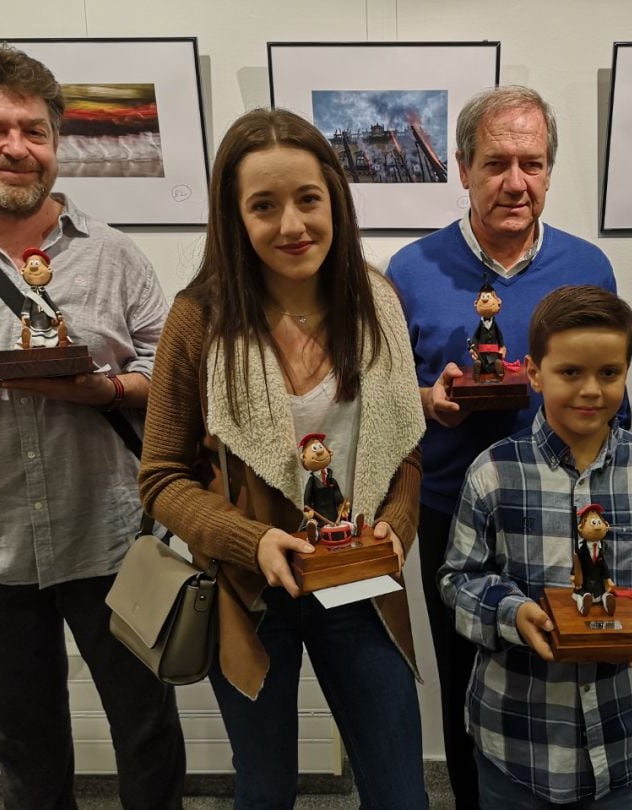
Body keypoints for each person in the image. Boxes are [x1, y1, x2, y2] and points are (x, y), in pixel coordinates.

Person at [0, 41, 185, 808]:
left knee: (148, 730)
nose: (16, 147)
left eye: (34, 130)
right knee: (24, 746)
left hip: (114, 542)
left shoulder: (115, 256)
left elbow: (175, 383)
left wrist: (107, 389)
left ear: (55, 145)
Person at [138, 107, 429, 809]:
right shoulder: (199, 316)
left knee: (400, 792)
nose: (292, 225)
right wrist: (252, 539)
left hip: (357, 585)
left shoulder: (378, 302)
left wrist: (398, 520)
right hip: (249, 594)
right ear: (235, 218)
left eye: (307, 199)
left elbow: (405, 448)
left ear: (335, 197)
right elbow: (161, 479)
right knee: (266, 790)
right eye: (263, 206)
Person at [385, 85, 624, 808]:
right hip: (449, 508)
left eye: (532, 162)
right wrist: (429, 401)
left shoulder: (590, 267)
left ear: (550, 170)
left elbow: (614, 394)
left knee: (564, 668)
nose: (515, 182)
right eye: (495, 163)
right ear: (461, 168)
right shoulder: (409, 270)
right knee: (465, 682)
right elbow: (385, 397)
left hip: (563, 508)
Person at [440, 285, 632, 808]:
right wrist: (513, 614)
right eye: (569, 373)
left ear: (626, 371)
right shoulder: (493, 472)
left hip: (619, 735)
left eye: (609, 373)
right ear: (534, 373)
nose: (591, 390)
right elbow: (458, 579)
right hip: (516, 738)